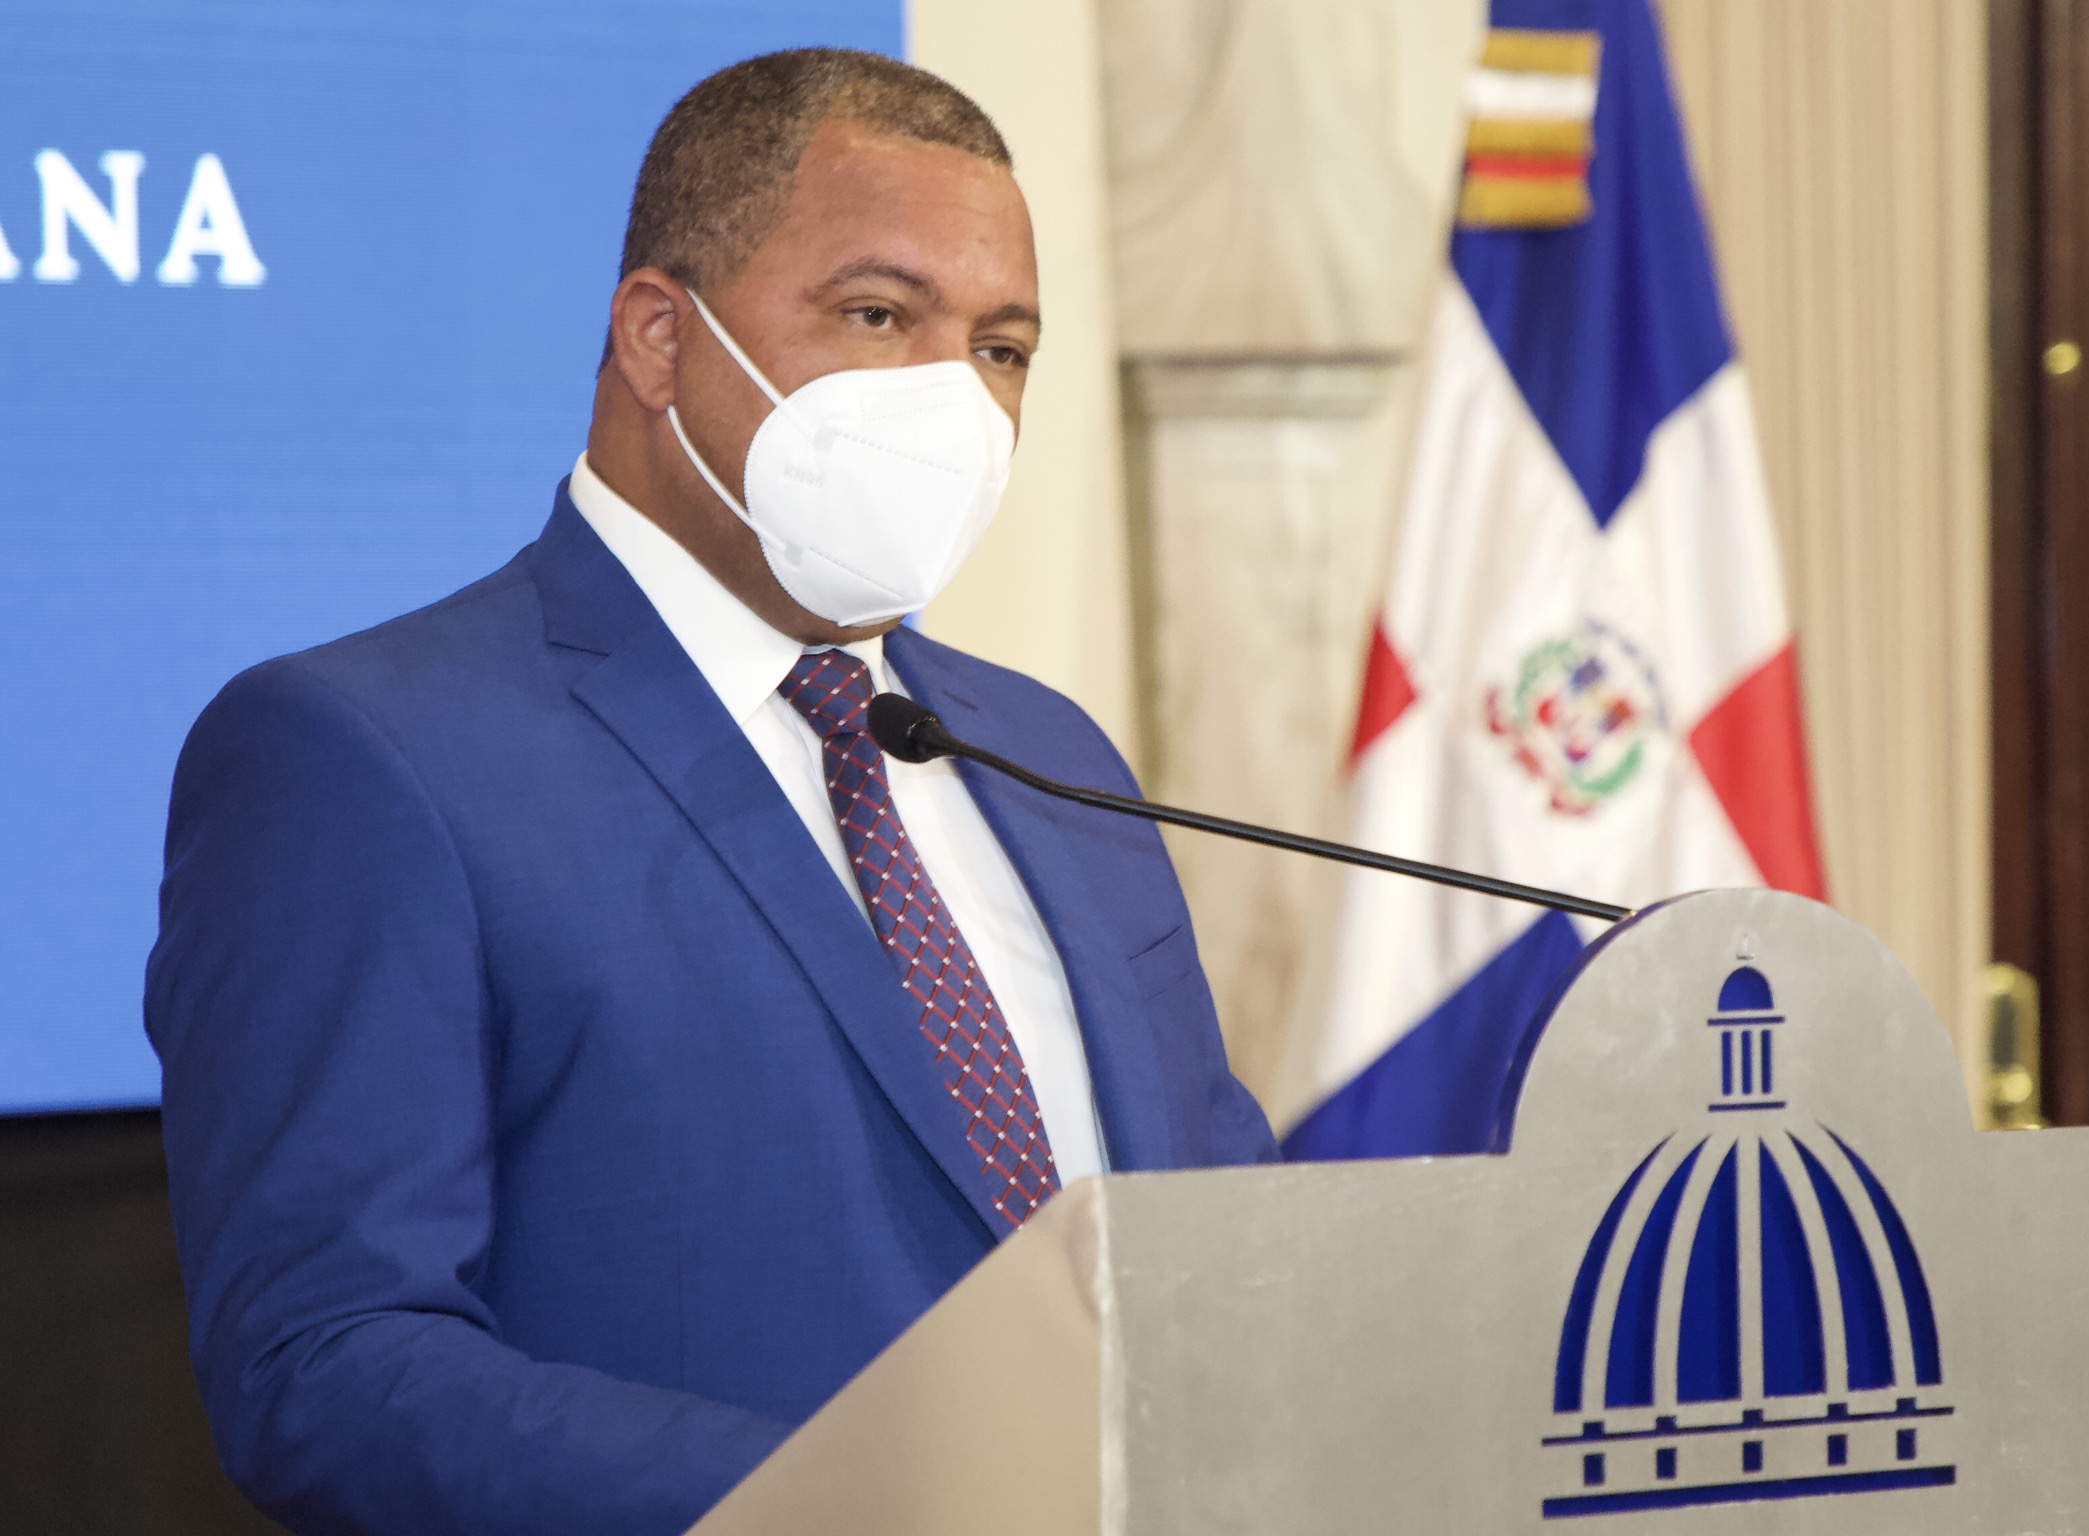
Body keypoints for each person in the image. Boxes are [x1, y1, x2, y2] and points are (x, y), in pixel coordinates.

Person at [144, 49, 1277, 1536]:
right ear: (659, 337)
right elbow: (327, 1364)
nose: (959, 400)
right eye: (879, 316)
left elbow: (1220, 1237)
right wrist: (862, 1505)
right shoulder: (360, 753)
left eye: (1003, 348)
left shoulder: (1049, 749)